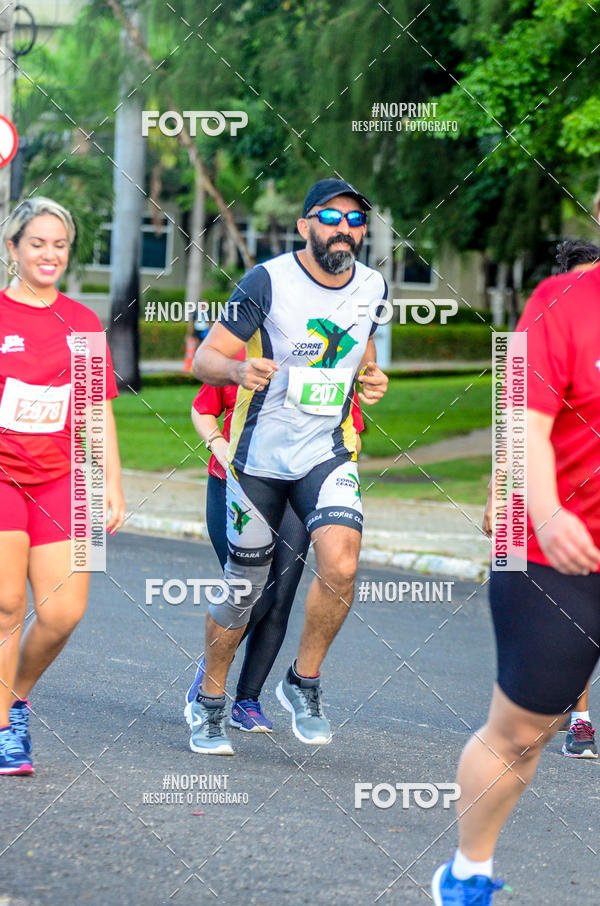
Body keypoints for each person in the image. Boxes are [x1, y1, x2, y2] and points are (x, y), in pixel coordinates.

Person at [189, 177, 388, 755]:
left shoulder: (373, 285)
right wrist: (235, 372)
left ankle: (303, 682)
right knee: (246, 587)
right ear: (305, 225)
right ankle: (208, 701)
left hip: (326, 450)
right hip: (257, 457)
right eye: (331, 217)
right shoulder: (268, 281)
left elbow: (362, 354)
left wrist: (373, 379)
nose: (344, 229)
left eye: (355, 221)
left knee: (342, 564)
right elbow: (206, 357)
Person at [433, 259, 600, 902]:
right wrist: (544, 510)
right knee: (523, 732)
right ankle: (468, 872)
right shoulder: (562, 300)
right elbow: (521, 419)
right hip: (553, 550)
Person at [0, 197, 125, 775]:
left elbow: (97, 410)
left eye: (59, 245)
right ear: (13, 248)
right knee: (6, 605)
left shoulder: (82, 321)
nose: (49, 254)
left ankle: (16, 697)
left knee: (64, 613)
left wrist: (112, 485)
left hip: (65, 480)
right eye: (37, 243)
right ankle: (3, 731)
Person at [186, 352, 365, 732]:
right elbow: (202, 408)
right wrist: (217, 442)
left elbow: (352, 430)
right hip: (235, 485)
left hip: (296, 492)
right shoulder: (243, 356)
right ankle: (211, 678)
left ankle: (247, 701)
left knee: (281, 598)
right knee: (255, 594)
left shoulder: (330, 365)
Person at [482, 237, 600, 760]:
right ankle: (543, 703)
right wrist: (496, 495)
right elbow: (511, 425)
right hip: (528, 506)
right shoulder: (537, 326)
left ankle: (577, 715)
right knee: (542, 628)